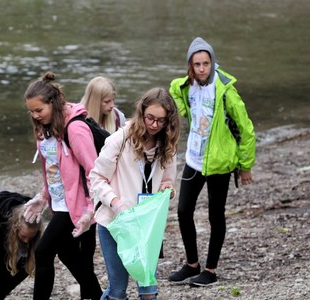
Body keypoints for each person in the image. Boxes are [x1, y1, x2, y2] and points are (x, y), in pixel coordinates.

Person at [167, 37, 256, 286]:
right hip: (194, 160)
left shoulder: (225, 90)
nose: (202, 68)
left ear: (212, 62)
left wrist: (246, 165)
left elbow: (246, 129)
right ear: (190, 66)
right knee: (184, 211)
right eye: (197, 64)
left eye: (206, 63)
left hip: (220, 164)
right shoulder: (187, 86)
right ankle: (192, 264)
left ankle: (211, 270)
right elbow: (175, 92)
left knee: (215, 216)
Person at [89, 87, 180, 300]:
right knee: (118, 290)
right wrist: (117, 203)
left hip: (147, 227)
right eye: (150, 118)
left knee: (148, 289)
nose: (154, 125)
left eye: (161, 120)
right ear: (141, 113)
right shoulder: (119, 140)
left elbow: (167, 179)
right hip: (115, 223)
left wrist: (168, 188)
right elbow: (96, 178)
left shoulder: (168, 144)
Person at [22, 71, 103, 300]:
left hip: (77, 204)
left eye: (39, 110)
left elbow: (93, 170)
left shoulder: (75, 129)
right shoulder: (45, 128)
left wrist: (89, 209)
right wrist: (43, 196)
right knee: (69, 255)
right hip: (59, 202)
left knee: (43, 252)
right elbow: (51, 168)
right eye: (31, 111)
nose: (35, 116)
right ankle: (97, 296)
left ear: (54, 103)